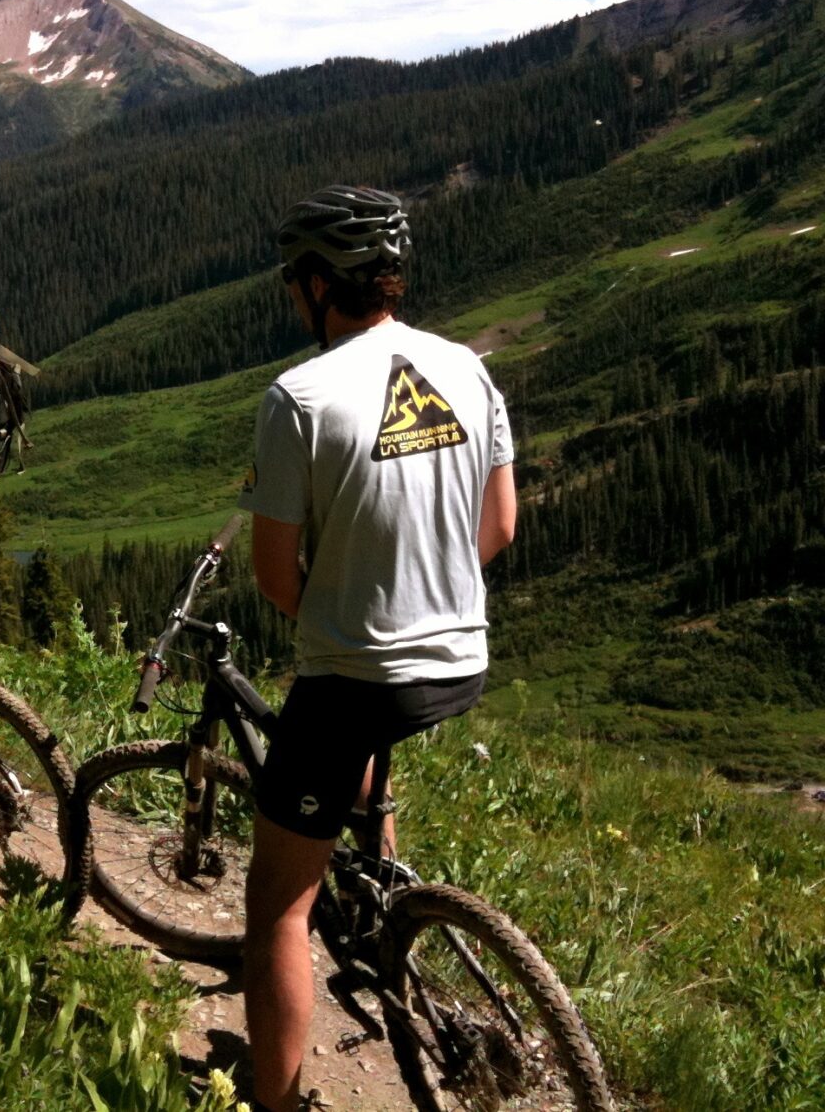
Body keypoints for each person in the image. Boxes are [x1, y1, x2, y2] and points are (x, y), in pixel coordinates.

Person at [236, 186, 517, 1112]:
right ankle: (382, 895)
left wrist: (352, 612)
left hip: (357, 673)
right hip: (462, 657)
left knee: (277, 905)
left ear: (320, 284)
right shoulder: (465, 368)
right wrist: (429, 594)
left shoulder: (299, 397)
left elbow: (275, 573)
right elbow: (500, 526)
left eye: (293, 278)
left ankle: (276, 1101)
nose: (290, 292)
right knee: (361, 745)